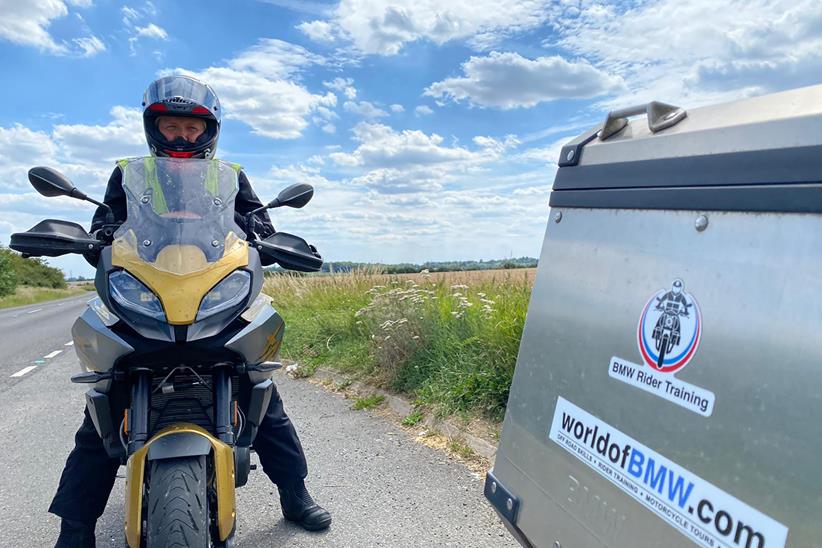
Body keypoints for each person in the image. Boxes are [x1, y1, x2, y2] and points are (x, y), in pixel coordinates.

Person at [52, 75, 331, 548]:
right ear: (153, 129)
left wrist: (270, 241)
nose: (183, 136)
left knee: (261, 392)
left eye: (192, 128)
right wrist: (91, 239)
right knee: (103, 405)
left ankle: (294, 492)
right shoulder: (127, 176)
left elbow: (258, 222)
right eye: (172, 126)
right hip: (144, 290)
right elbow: (107, 224)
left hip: (215, 288)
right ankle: (75, 526)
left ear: (210, 132)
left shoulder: (231, 178)